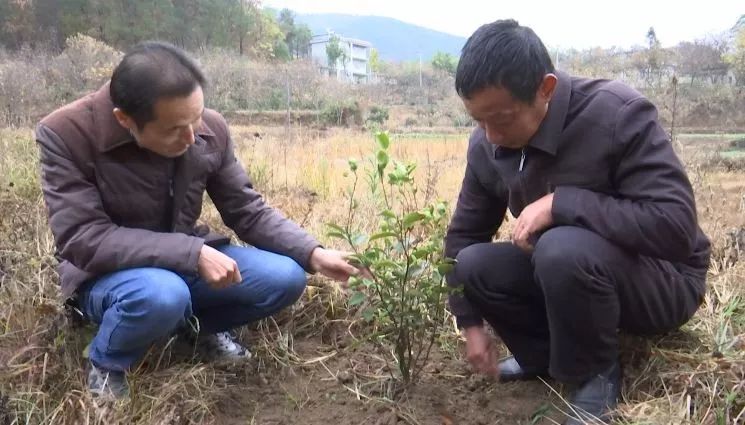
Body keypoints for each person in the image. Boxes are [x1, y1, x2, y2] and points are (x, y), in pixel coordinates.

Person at [36, 41, 361, 400]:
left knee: (285, 278)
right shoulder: (67, 134)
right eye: (175, 129)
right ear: (125, 120)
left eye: (197, 118)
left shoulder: (210, 128)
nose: (192, 137)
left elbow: (245, 209)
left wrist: (312, 252)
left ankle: (195, 330)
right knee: (162, 294)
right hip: (109, 274)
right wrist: (190, 253)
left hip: (185, 259)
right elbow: (83, 238)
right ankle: (107, 360)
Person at [445, 20, 710, 424]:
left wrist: (562, 203)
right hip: (570, 272)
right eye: (478, 120)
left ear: (545, 89)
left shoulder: (616, 114)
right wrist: (469, 321)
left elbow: (675, 229)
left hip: (662, 279)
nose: (491, 135)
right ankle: (546, 357)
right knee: (473, 265)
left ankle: (594, 374)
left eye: (502, 118)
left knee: (560, 246)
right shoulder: (488, 143)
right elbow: (465, 234)